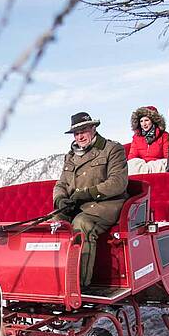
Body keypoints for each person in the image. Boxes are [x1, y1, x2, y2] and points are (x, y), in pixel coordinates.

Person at [52, 112, 128, 289]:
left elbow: (118, 183)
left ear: (93, 129)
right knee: (55, 223)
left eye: (83, 130)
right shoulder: (70, 156)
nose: (80, 136)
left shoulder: (112, 149)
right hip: (77, 205)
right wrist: (60, 199)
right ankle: (54, 281)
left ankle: (78, 285)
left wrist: (88, 193)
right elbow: (61, 183)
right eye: (76, 133)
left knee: (82, 224)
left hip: (106, 205)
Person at [126, 105, 169, 175]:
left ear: (153, 121)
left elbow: (167, 156)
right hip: (141, 167)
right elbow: (132, 157)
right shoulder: (136, 137)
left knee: (165, 164)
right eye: (141, 121)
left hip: (157, 167)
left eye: (146, 120)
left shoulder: (164, 135)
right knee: (131, 164)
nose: (144, 124)